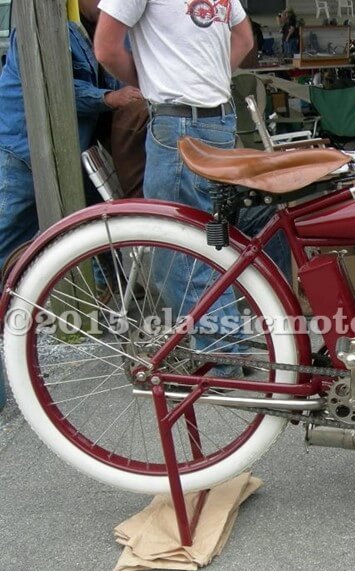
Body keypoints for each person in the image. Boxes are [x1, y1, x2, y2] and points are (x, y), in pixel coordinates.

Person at [95, 0, 255, 369]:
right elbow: (244, 40)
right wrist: (206, 76)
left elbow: (105, 48)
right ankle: (232, 346)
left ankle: (225, 365)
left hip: (178, 125)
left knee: (179, 252)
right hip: (221, 120)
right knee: (214, 243)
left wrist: (153, 79)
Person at [0, 0, 143, 273]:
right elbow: (50, 85)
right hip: (23, 147)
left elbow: (116, 74)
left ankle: (110, 285)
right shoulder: (44, 26)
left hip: (73, 148)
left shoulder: (99, 25)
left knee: (96, 224)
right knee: (11, 231)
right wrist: (109, 98)